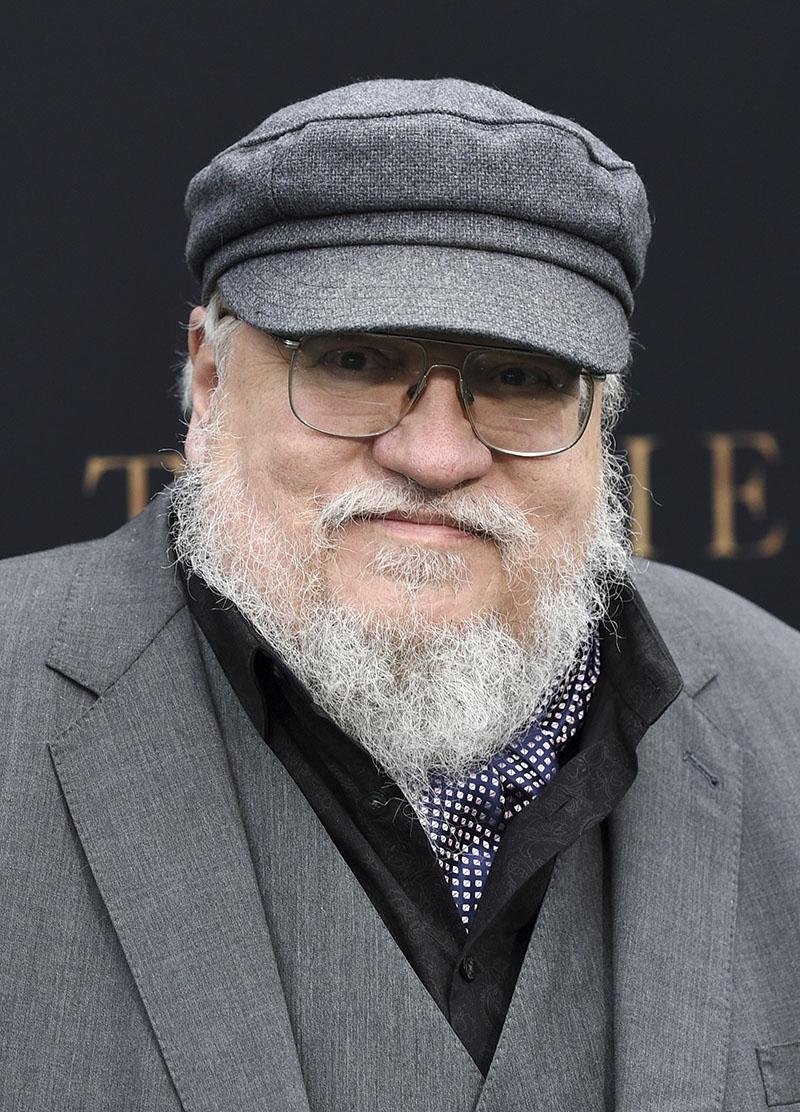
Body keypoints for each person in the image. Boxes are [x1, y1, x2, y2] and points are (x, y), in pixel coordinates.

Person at [1, 77, 798, 1112]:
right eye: (351, 359)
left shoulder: (783, 716)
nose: (432, 453)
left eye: (516, 375)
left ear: (601, 413)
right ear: (206, 381)